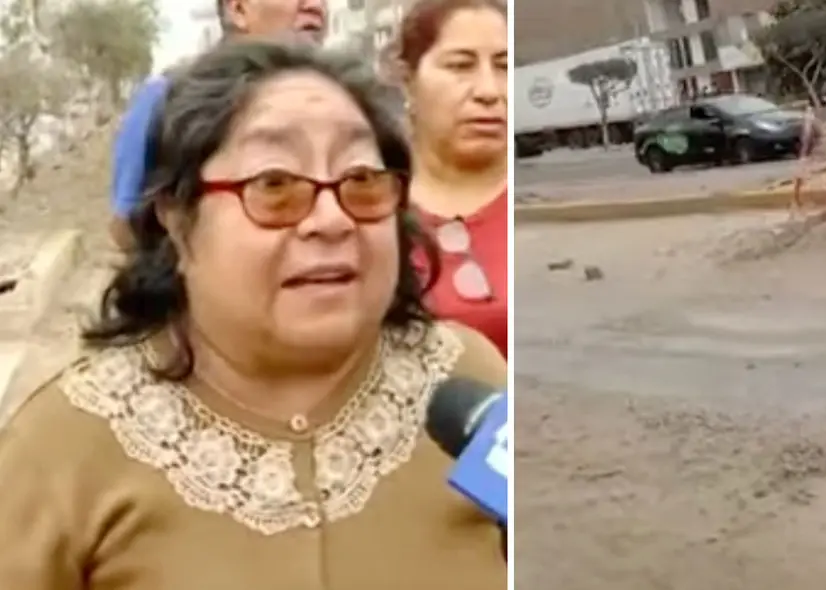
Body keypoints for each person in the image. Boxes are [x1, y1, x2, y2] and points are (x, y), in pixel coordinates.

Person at [0, 40, 506, 589]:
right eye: (274, 186)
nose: (331, 220)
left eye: (361, 181)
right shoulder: (63, 444)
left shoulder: (470, 384)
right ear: (176, 217)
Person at [108, 0, 330, 250]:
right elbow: (125, 224)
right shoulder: (166, 98)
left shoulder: (339, 103)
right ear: (238, 9)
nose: (315, 5)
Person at [391, 0, 508, 356]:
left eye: (503, 67)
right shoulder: (368, 206)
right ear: (408, 83)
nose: (489, 91)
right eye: (460, 66)